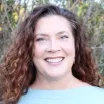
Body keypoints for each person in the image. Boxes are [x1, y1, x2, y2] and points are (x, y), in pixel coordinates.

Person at [1, 4, 104, 104]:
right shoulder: (9, 101)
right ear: (28, 47)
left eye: (63, 37)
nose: (53, 48)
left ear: (76, 45)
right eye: (41, 39)